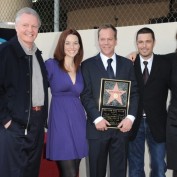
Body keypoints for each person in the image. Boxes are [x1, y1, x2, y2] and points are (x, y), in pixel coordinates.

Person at [80, 24, 139, 177]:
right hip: (97, 129)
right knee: (96, 172)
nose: (106, 43)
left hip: (121, 129)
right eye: (102, 39)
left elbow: (134, 93)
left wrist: (130, 118)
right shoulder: (87, 65)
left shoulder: (127, 65)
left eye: (110, 39)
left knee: (119, 173)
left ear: (116, 41)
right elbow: (85, 95)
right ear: (98, 41)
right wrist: (97, 118)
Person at [0, 7, 48, 177]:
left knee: (31, 172)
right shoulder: (5, 52)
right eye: (25, 25)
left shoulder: (37, 54)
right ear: (16, 28)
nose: (30, 30)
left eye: (34, 26)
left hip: (36, 126)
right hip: (13, 127)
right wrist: (6, 121)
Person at [127, 27, 171, 177]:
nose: (144, 45)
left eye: (148, 41)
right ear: (136, 43)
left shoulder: (165, 63)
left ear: (154, 43)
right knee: (135, 168)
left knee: (159, 168)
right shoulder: (129, 64)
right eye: (140, 42)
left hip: (158, 123)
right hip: (134, 123)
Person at [45, 29, 88, 177]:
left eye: (76, 43)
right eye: (68, 43)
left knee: (75, 168)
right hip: (60, 122)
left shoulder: (81, 68)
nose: (72, 46)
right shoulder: (51, 65)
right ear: (61, 45)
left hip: (79, 121)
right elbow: (36, 88)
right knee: (68, 172)